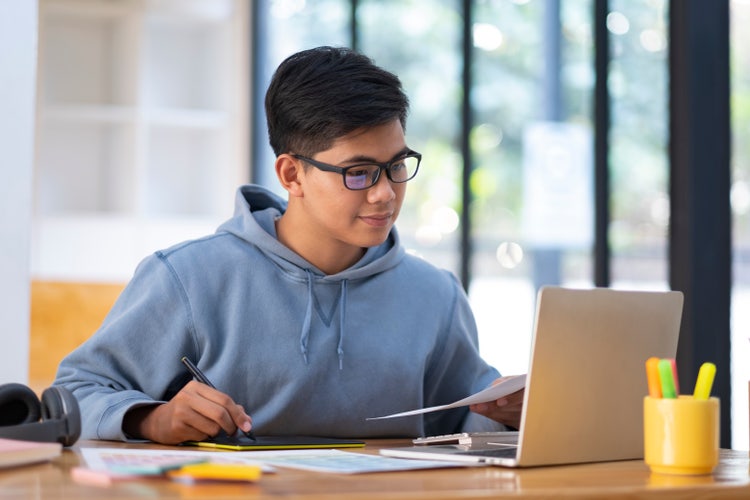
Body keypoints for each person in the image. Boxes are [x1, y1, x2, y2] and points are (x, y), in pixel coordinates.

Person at [53, 46, 524, 445]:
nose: (385, 192)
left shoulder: (435, 295)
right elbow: (76, 390)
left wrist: (512, 414)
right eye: (358, 172)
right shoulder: (188, 278)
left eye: (397, 165)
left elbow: (460, 429)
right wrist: (152, 418)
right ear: (291, 174)